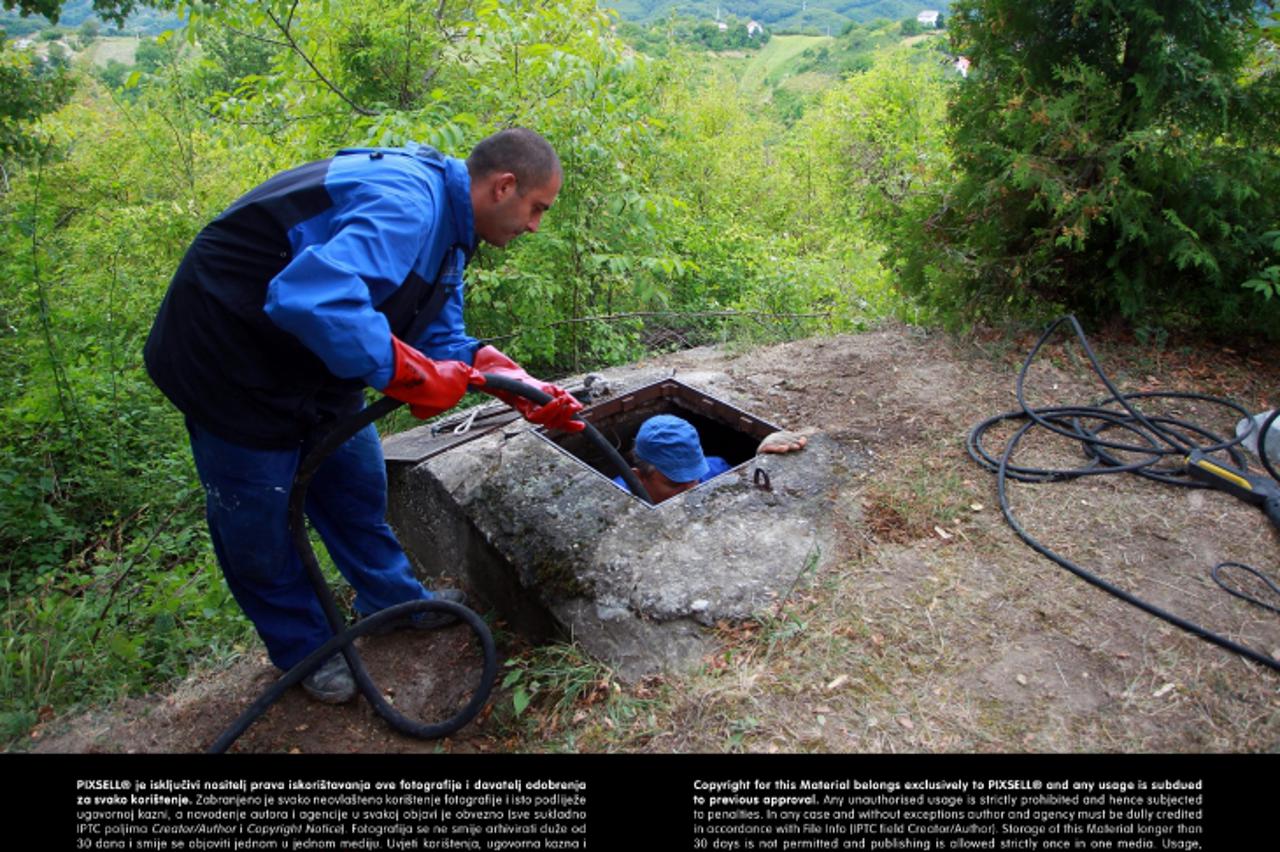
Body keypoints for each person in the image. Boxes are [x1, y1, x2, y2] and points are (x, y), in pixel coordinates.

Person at [144, 128, 582, 703]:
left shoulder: (452, 226)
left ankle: (391, 601)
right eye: (536, 209)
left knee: (354, 481)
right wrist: (416, 377)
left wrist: (500, 374)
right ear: (504, 186)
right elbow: (312, 298)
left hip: (315, 359)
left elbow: (437, 330)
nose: (534, 226)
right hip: (230, 361)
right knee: (257, 523)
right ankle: (305, 650)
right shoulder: (405, 204)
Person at [613, 414, 807, 504]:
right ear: (638, 477)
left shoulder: (716, 469)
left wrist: (762, 458)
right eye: (675, 482)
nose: (691, 490)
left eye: (694, 476)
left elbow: (744, 487)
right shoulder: (617, 497)